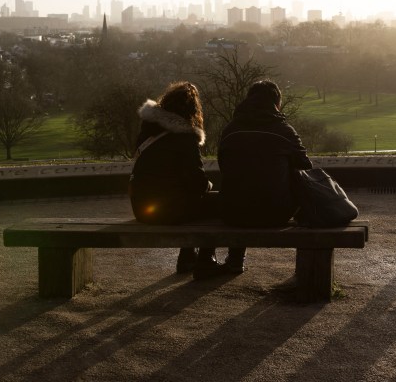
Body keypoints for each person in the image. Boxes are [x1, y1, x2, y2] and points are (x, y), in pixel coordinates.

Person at [129, 81, 229, 279]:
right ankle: (204, 260)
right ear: (192, 110)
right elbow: (197, 183)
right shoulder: (185, 138)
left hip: (141, 208)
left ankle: (188, 257)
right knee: (219, 203)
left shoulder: (148, 133)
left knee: (187, 200)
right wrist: (208, 186)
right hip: (165, 211)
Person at [217, 80, 307, 273]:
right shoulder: (284, 131)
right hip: (276, 213)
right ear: (276, 103)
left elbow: (223, 165)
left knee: (243, 182)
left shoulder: (230, 130)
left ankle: (235, 258)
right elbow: (305, 166)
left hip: (232, 212)